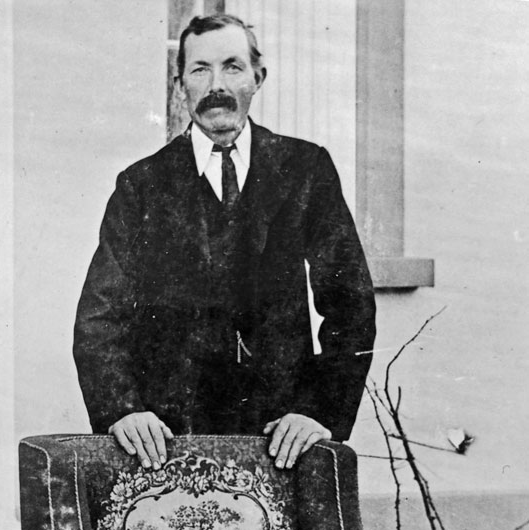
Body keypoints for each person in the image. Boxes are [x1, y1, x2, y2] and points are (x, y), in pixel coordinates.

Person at [73, 13, 376, 472]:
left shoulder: (305, 168)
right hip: (170, 443)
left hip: (281, 439)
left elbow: (350, 302)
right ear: (180, 85)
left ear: (258, 77)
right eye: (200, 70)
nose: (217, 85)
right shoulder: (142, 185)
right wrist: (123, 410)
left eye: (232, 67)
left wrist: (319, 411)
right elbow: (99, 318)